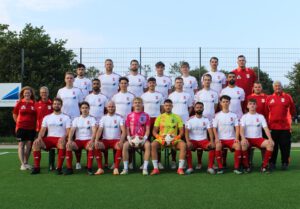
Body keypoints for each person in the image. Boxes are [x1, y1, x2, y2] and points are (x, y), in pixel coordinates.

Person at [31, 98, 71, 175]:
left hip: (60, 139)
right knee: (36, 144)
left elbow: (68, 131)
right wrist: (39, 138)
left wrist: (64, 137)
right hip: (49, 139)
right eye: (55, 104)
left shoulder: (66, 117)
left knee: (62, 144)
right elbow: (42, 130)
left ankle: (58, 168)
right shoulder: (47, 117)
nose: (56, 105)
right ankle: (36, 168)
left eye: (58, 104)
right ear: (52, 105)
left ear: (61, 105)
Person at [151, 99, 186, 175]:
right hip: (162, 139)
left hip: (174, 140)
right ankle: (156, 168)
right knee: (153, 145)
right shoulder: (159, 117)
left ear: (172, 106)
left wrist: (175, 138)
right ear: (164, 106)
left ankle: (180, 169)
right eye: (166, 105)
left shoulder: (177, 117)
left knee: (183, 145)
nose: (168, 107)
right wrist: (160, 138)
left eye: (169, 106)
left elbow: (182, 132)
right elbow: (154, 131)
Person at [266, 81, 296, 170]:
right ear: (273, 88)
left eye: (279, 86)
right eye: (275, 86)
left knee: (285, 146)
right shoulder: (269, 98)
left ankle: (285, 163)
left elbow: (292, 110)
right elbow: (266, 112)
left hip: (285, 127)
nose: (277, 87)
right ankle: (272, 163)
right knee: (273, 146)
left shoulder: (287, 97)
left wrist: (288, 120)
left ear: (281, 87)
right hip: (273, 127)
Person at [240, 99, 274, 172]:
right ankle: (246, 166)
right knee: (243, 144)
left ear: (256, 106)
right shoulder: (244, 117)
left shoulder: (260, 116)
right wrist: (243, 138)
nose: (252, 105)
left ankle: (264, 166)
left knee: (270, 144)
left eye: (254, 104)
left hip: (258, 139)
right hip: (248, 139)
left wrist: (270, 139)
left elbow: (266, 128)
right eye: (250, 104)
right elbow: (241, 129)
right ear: (247, 106)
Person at [213, 95, 244, 174]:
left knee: (238, 145)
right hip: (221, 139)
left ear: (229, 103)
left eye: (227, 102)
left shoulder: (233, 115)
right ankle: (220, 167)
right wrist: (216, 138)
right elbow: (214, 128)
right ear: (220, 103)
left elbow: (237, 127)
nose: (225, 103)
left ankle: (236, 168)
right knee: (218, 146)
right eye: (223, 102)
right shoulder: (217, 115)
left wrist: (236, 138)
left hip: (231, 139)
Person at [65, 102, 97, 175]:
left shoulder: (92, 119)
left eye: (86, 108)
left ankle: (89, 168)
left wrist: (92, 141)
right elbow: (72, 130)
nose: (84, 109)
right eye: (83, 108)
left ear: (89, 109)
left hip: (88, 140)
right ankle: (69, 169)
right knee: (68, 145)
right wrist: (69, 140)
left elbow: (94, 131)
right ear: (80, 109)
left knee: (91, 146)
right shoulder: (76, 119)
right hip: (78, 141)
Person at [94, 101, 126, 175]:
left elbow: (124, 131)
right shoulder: (103, 118)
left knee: (119, 146)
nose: (111, 108)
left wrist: (121, 141)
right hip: (105, 140)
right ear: (106, 108)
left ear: (115, 107)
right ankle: (100, 168)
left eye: (112, 106)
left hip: (116, 140)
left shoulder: (119, 117)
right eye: (109, 107)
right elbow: (99, 130)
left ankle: (116, 168)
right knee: (97, 146)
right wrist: (96, 140)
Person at [121, 97, 151, 175]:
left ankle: (145, 168)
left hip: (142, 138)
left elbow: (148, 129)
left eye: (139, 102)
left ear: (142, 104)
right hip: (132, 138)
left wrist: (144, 139)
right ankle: (125, 168)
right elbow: (127, 129)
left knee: (148, 145)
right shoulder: (129, 116)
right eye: (135, 102)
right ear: (133, 104)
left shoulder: (146, 115)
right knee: (125, 146)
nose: (137, 104)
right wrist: (128, 138)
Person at [168, 77, 193, 168]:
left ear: (183, 84)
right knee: (173, 140)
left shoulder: (188, 95)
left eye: (180, 82)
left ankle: (184, 161)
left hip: (184, 121)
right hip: (173, 123)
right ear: (175, 84)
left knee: (184, 141)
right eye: (177, 82)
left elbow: (190, 107)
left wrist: (187, 114)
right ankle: (174, 160)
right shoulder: (171, 95)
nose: (179, 84)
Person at [185, 102, 215, 175]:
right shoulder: (190, 120)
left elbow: (210, 132)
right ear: (194, 109)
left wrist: (212, 141)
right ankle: (190, 167)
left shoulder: (206, 119)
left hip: (203, 140)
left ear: (203, 109)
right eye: (197, 107)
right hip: (193, 140)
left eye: (200, 107)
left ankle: (210, 167)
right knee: (187, 146)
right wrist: (188, 141)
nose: (199, 109)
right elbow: (186, 132)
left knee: (212, 146)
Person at [141, 77, 164, 169]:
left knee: (158, 141)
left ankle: (158, 162)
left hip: (157, 120)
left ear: (155, 84)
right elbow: (141, 109)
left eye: (153, 83)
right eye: (150, 83)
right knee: (145, 141)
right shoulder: (143, 96)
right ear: (147, 84)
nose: (151, 84)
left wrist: (159, 118)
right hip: (146, 120)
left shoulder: (160, 95)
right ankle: (144, 162)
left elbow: (162, 108)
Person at [13, 86, 36, 171]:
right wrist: (18, 124)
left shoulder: (34, 103)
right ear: (23, 94)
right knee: (21, 145)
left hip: (31, 128)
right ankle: (22, 164)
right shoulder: (19, 103)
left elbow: (37, 116)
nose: (27, 94)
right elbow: (14, 114)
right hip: (21, 128)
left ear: (31, 94)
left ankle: (26, 162)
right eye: (25, 93)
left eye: (29, 93)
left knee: (29, 146)